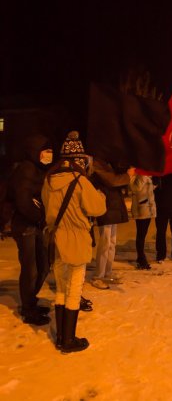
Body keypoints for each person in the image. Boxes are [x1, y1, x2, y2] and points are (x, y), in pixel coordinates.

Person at [42, 131, 106, 353]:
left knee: (61, 285)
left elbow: (47, 211)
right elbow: (97, 208)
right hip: (77, 238)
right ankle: (69, 340)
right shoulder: (81, 181)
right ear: (79, 159)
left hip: (57, 237)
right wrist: (101, 197)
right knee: (75, 288)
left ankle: (61, 336)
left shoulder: (49, 179)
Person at [10, 134, 53, 326]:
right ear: (36, 152)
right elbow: (24, 202)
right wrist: (41, 215)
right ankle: (28, 309)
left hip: (38, 225)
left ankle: (31, 301)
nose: (49, 155)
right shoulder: (26, 170)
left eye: (51, 151)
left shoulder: (41, 170)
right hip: (26, 226)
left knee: (44, 265)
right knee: (31, 269)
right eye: (46, 151)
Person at [89, 158, 131, 289]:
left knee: (112, 242)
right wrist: (127, 175)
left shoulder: (109, 165)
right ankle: (99, 275)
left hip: (113, 207)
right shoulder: (98, 166)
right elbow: (113, 181)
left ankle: (107, 271)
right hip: (105, 209)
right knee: (105, 242)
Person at [130, 172, 156, 270]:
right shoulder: (138, 177)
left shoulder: (146, 176)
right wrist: (144, 177)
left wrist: (154, 184)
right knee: (141, 235)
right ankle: (141, 259)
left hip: (148, 209)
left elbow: (147, 191)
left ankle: (140, 257)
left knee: (143, 235)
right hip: (142, 209)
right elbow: (136, 189)